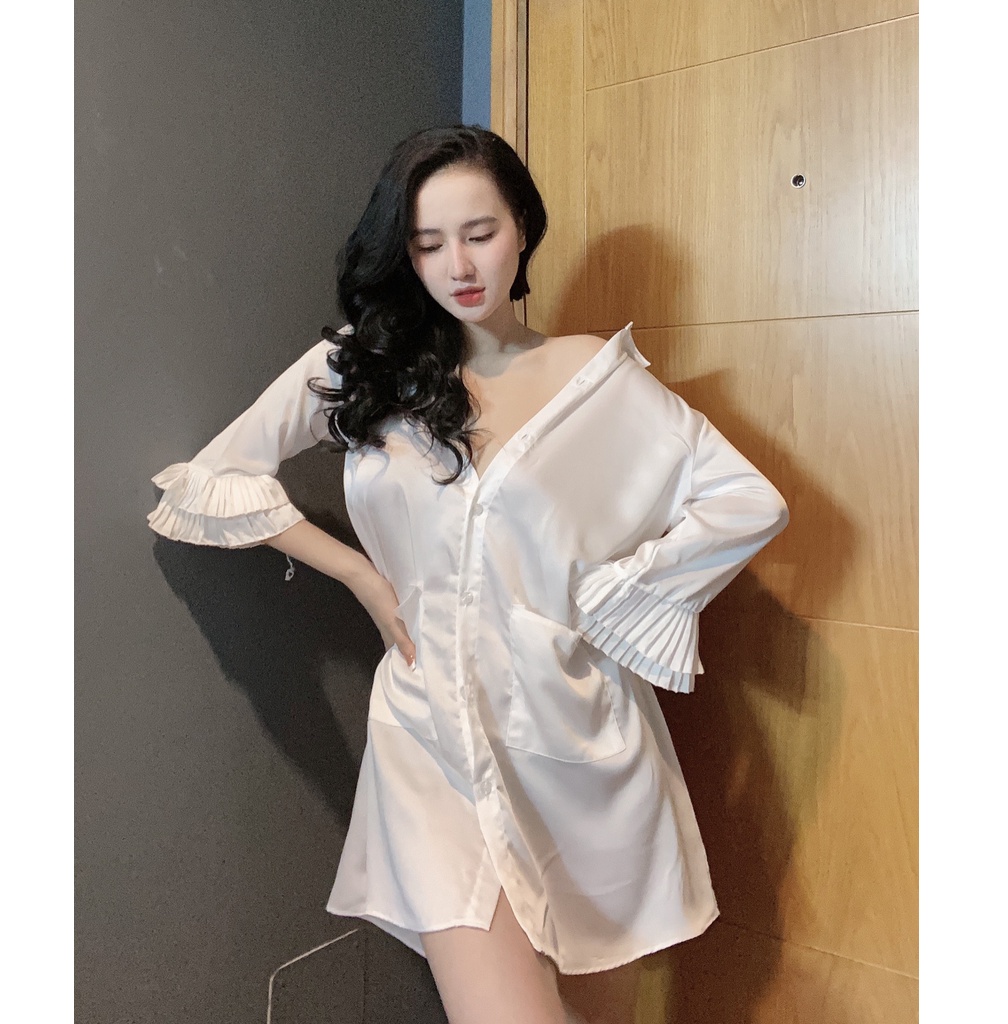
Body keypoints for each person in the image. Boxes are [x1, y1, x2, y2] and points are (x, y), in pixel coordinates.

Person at [148, 124, 789, 1024]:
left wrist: (612, 600)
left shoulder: (595, 380)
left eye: (480, 233)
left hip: (575, 746)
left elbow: (746, 501)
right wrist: (361, 577)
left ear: (522, 226)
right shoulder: (361, 367)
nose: (458, 265)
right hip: (430, 744)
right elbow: (212, 478)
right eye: (427, 243)